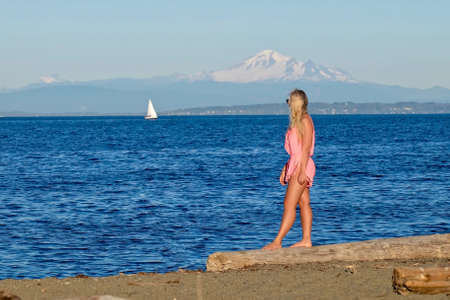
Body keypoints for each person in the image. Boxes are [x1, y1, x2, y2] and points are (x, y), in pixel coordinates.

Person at [262, 89, 316, 250]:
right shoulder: (297, 121)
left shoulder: (306, 120)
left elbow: (305, 148)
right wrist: (286, 168)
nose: (287, 103)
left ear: (296, 102)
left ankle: (277, 241)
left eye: (289, 101)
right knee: (304, 202)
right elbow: (295, 150)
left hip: (302, 165)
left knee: (289, 203)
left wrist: (301, 171)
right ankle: (306, 240)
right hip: (295, 163)